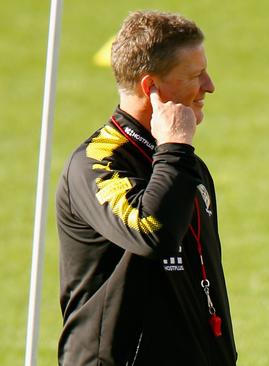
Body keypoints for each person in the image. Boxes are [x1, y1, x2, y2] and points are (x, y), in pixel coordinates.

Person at [56, 10, 237, 365]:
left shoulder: (185, 165)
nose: (210, 86)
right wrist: (174, 147)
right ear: (151, 87)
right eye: (196, 75)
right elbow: (153, 233)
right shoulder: (95, 165)